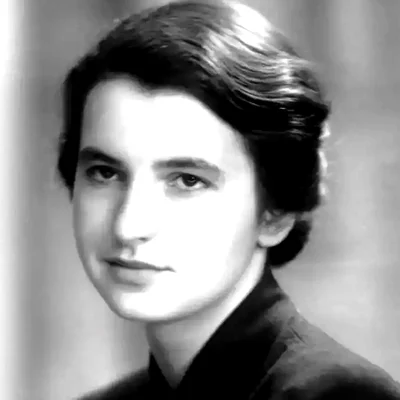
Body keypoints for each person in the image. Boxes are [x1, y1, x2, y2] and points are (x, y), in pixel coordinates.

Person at [57, 1, 400, 399]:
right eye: (105, 172)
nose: (128, 225)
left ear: (275, 212)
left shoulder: (338, 396)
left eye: (187, 180)